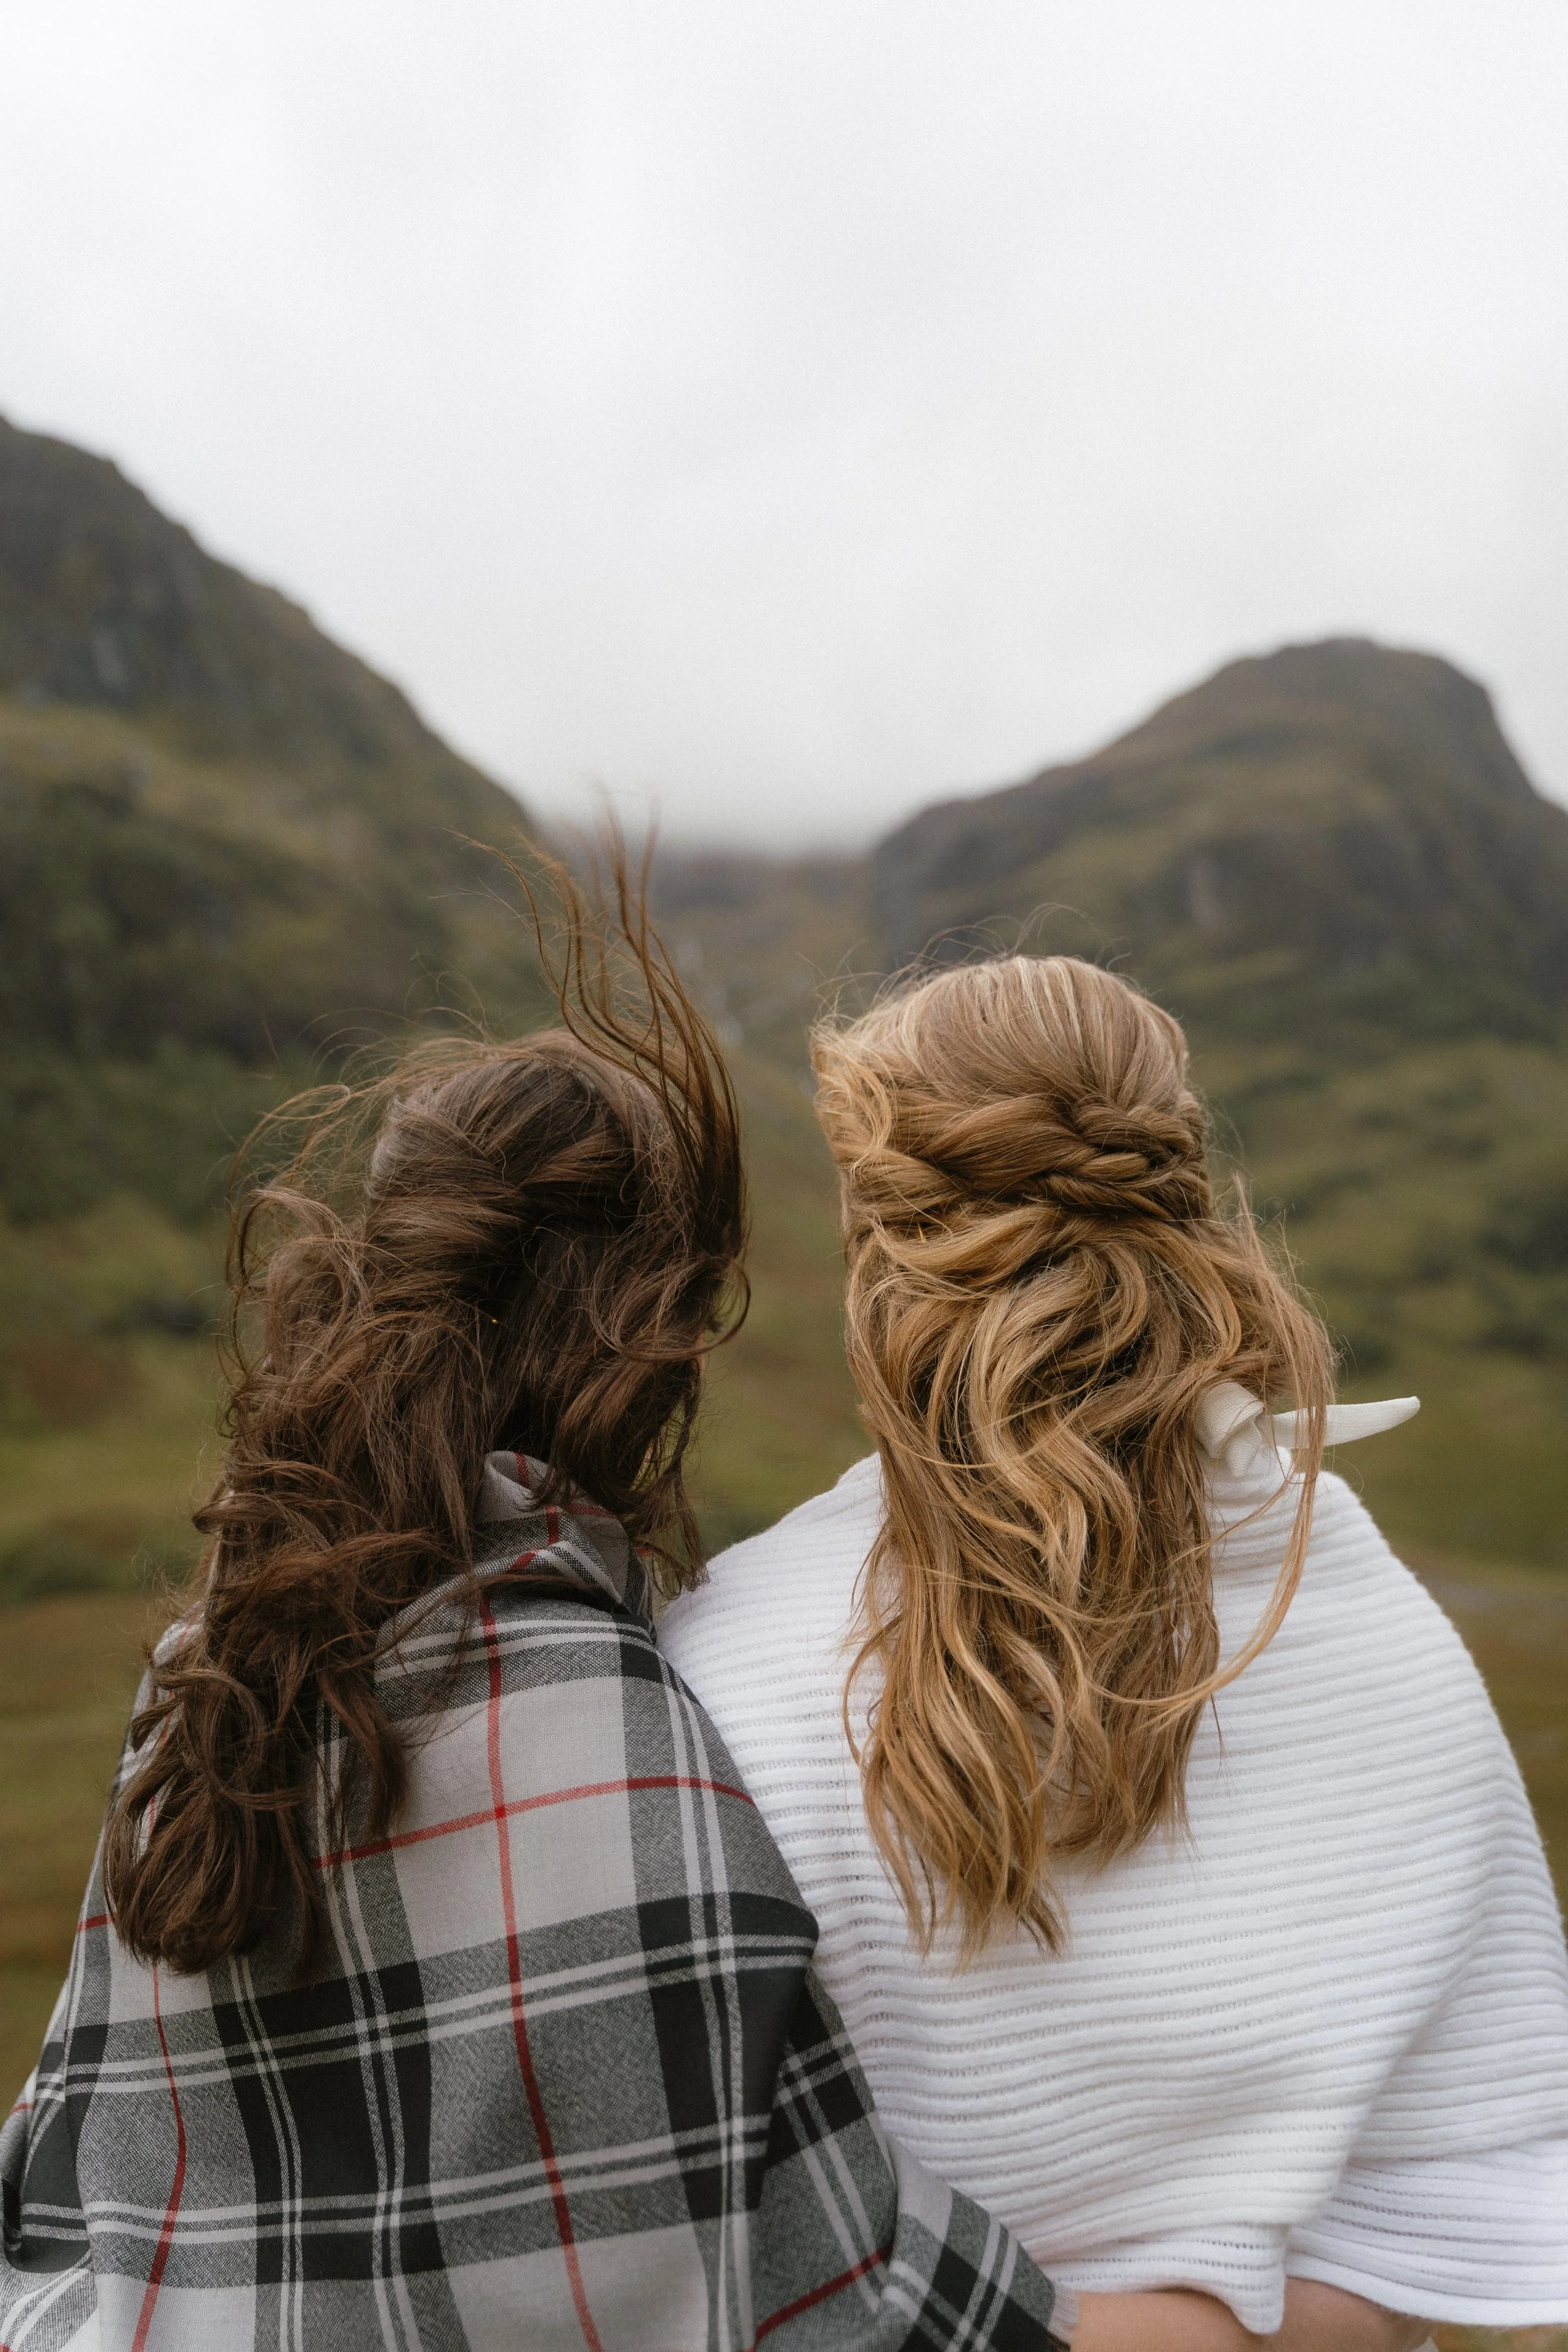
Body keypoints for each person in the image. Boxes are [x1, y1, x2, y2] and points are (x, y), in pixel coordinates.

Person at [0, 878, 1372, 2352]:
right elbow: (857, 2311)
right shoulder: (618, 1739)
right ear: (654, 1358)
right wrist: (1313, 2318)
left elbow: (55, 2182)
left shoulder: (209, 1667)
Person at [662, 952, 1568, 2344]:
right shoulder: (1342, 1594)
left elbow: (683, 2245)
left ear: (871, 1243)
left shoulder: (722, 1661)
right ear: (1180, 1199)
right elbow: (1450, 2213)